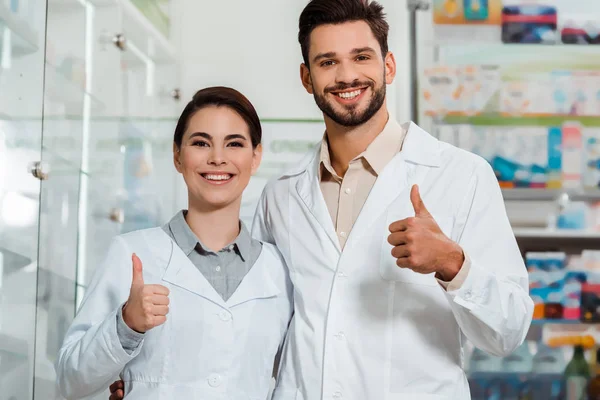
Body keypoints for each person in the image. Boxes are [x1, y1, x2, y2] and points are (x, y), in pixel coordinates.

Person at [110, 0, 534, 399]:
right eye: (328, 62)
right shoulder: (281, 194)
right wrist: (150, 378)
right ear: (307, 77)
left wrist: (452, 265)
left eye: (362, 57)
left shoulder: (460, 176)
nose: (347, 76)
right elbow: (249, 323)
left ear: (388, 65)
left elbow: (508, 332)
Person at [56, 87, 293, 399]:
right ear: (178, 155)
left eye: (234, 144)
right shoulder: (133, 255)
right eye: (200, 143)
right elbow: (71, 381)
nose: (218, 158)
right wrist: (127, 325)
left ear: (255, 157)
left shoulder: (280, 270)